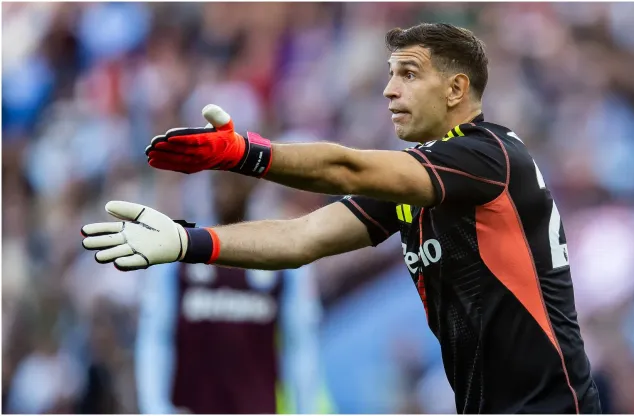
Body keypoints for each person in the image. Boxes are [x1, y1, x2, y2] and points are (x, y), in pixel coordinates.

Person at [82, 23, 601, 413]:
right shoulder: (417, 184)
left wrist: (245, 154)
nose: (389, 90)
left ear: (456, 90)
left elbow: (345, 166)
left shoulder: (488, 157)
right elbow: (301, 237)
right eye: (390, 75)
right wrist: (186, 242)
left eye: (409, 75)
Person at [134, 173, 328, 414]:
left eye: (235, 176)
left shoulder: (283, 254)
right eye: (219, 177)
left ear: (253, 183)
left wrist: (305, 409)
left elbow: (300, 345)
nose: (225, 187)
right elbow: (156, 337)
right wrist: (155, 409)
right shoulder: (179, 250)